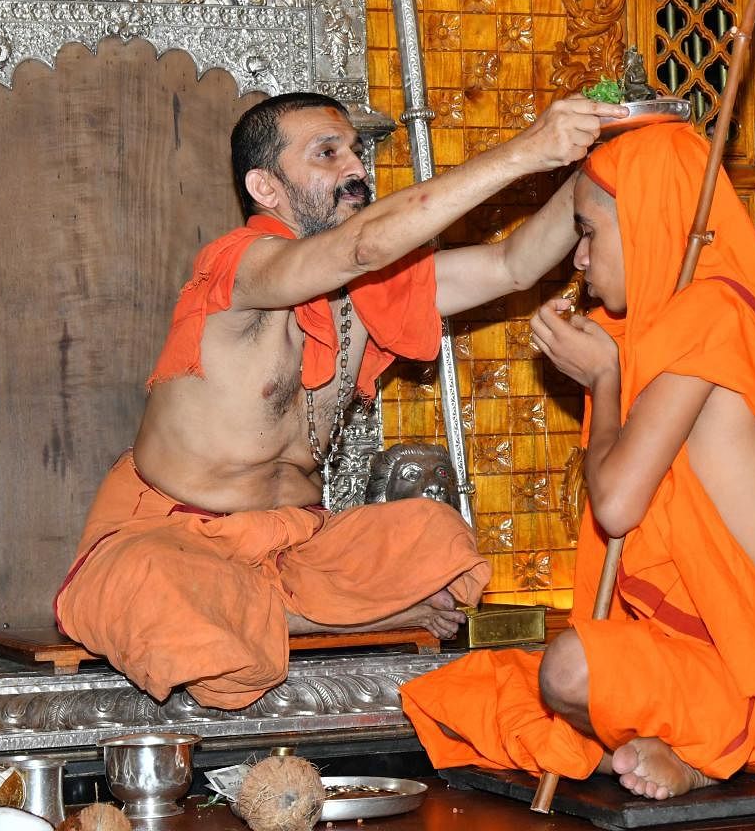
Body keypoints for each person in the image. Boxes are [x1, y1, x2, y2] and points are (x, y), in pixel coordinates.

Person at [56, 90, 623, 709]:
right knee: (153, 584)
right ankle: (332, 619)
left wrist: (599, 160)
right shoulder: (237, 265)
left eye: (355, 152)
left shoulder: (371, 285)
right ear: (265, 188)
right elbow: (360, 246)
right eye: (327, 153)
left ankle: (273, 615)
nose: (355, 169)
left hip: (299, 546)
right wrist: (526, 151)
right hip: (172, 540)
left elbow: (514, 266)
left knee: (434, 534)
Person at [402, 122, 755, 800]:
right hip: (709, 662)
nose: (581, 262)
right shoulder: (656, 330)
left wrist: (603, 382)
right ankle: (665, 744)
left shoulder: (709, 313)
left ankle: (700, 752)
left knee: (566, 673)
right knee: (467, 690)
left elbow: (618, 506)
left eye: (589, 233)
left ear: (653, 222)